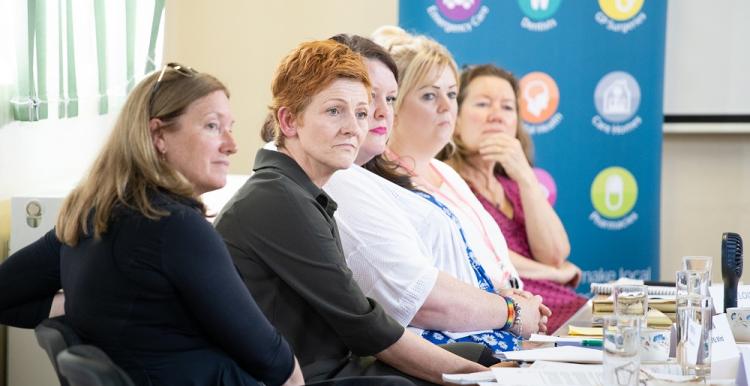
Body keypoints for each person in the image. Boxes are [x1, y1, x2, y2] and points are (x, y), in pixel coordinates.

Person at [0, 63, 304, 386]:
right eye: (213, 127)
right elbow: (276, 364)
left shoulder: (90, 217)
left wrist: (79, 307)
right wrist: (77, 306)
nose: (231, 144)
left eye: (230, 127)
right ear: (159, 135)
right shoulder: (177, 228)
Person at [213, 40, 489, 386]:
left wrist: (477, 369)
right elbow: (364, 323)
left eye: (360, 113)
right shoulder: (276, 197)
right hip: (306, 378)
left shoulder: (298, 190)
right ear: (288, 120)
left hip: (340, 368)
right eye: (334, 111)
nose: (353, 128)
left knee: (481, 355)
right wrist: (478, 379)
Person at [321, 33, 549, 354]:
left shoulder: (442, 174)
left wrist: (509, 301)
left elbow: (468, 269)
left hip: (492, 323)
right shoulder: (340, 179)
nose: (380, 111)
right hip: (467, 337)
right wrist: (509, 310)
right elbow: (415, 299)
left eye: (388, 98)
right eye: (429, 95)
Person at [438, 64, 587, 332]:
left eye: (507, 107)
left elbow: (555, 254)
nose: (496, 116)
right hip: (518, 316)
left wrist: (526, 177)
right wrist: (556, 274)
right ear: (455, 119)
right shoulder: (444, 179)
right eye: (483, 104)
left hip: (564, 306)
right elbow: (481, 251)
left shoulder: (513, 186)